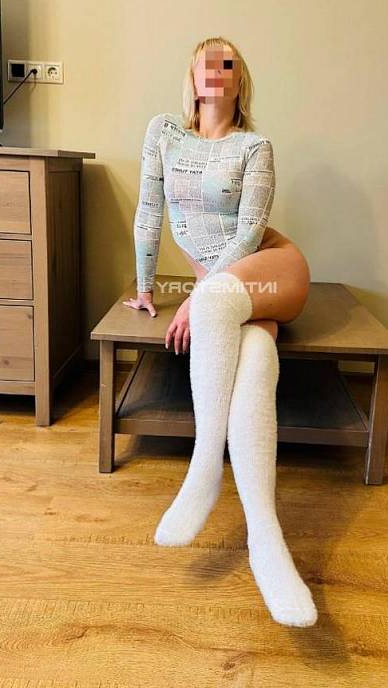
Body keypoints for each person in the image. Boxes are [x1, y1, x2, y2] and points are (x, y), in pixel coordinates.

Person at [123, 36, 317, 627]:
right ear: (191, 75)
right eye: (205, 60)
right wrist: (146, 288)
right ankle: (266, 540)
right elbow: (149, 211)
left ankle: (204, 467)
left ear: (239, 80)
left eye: (226, 62)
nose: (214, 69)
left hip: (273, 269)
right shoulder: (165, 133)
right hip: (225, 293)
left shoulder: (255, 146)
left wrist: (201, 294)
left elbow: (252, 232)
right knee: (255, 357)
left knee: (214, 305)